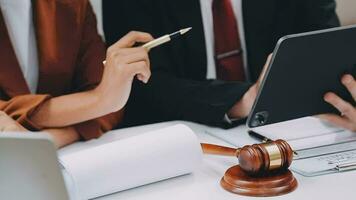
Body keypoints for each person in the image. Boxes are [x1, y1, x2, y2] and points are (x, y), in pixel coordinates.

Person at [103, 0, 340, 128]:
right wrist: (242, 100)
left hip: (292, 131)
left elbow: (329, 51)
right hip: (180, 136)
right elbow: (142, 86)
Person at [0, 0, 153, 148]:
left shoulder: (73, 5)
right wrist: (99, 101)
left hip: (65, 160)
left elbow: (112, 102)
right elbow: (108, 100)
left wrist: (53, 138)